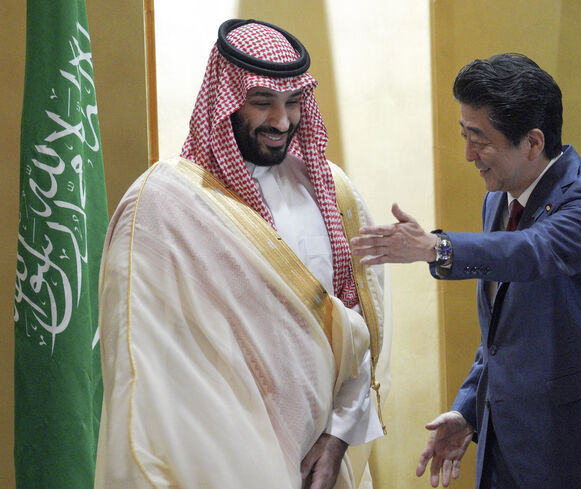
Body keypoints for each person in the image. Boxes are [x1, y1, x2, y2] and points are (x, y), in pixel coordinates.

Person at [95, 19, 388, 489]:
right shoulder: (164, 205)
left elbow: (363, 331)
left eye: (293, 103)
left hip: (323, 462)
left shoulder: (333, 193)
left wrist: (338, 438)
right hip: (216, 461)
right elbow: (144, 361)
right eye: (262, 102)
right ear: (225, 101)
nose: (281, 121)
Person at [351, 53, 581, 488]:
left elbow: (534, 250)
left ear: (533, 143)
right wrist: (468, 410)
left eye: (479, 139)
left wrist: (436, 248)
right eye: (464, 135)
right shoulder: (497, 199)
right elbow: (503, 333)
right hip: (507, 455)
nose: (468, 154)